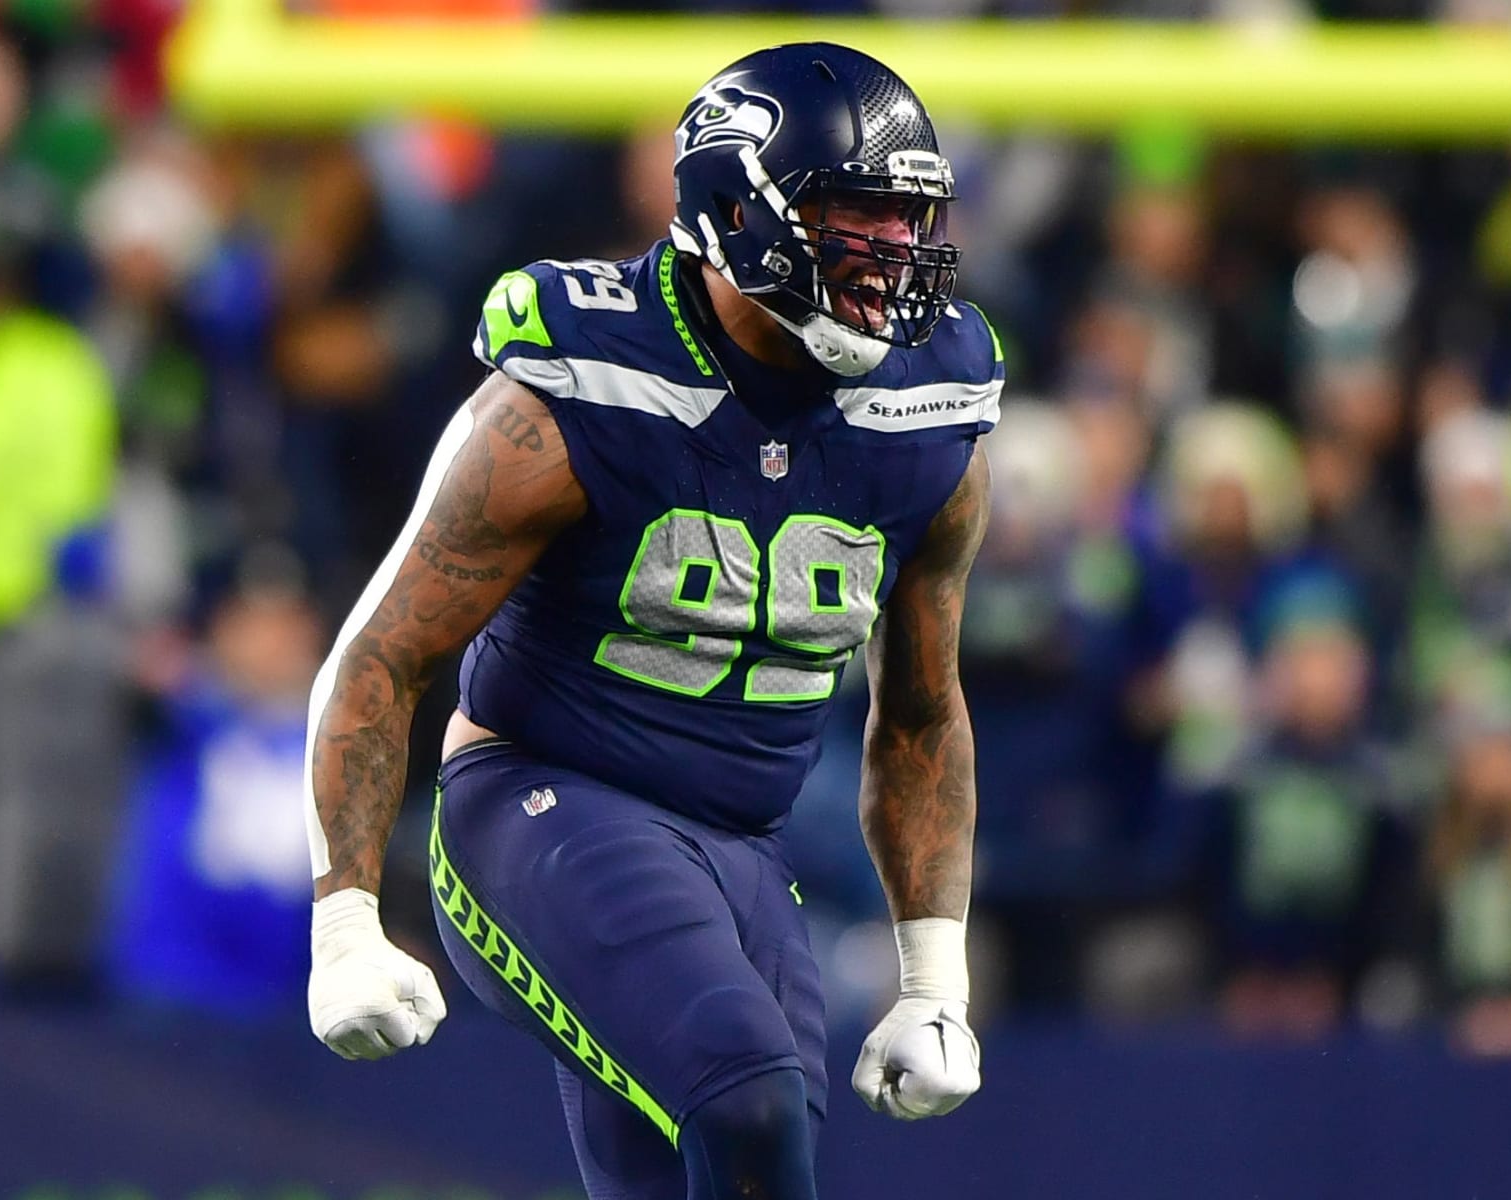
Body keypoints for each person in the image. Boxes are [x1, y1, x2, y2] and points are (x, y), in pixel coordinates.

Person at [301, 43, 1002, 1200]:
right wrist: (345, 920)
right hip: (545, 803)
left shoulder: (927, 412)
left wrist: (935, 981)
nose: (894, 251)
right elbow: (385, 652)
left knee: (739, 1153)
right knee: (749, 1097)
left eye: (908, 216)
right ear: (738, 209)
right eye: (855, 213)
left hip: (742, 846)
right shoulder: (586, 381)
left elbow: (921, 712)